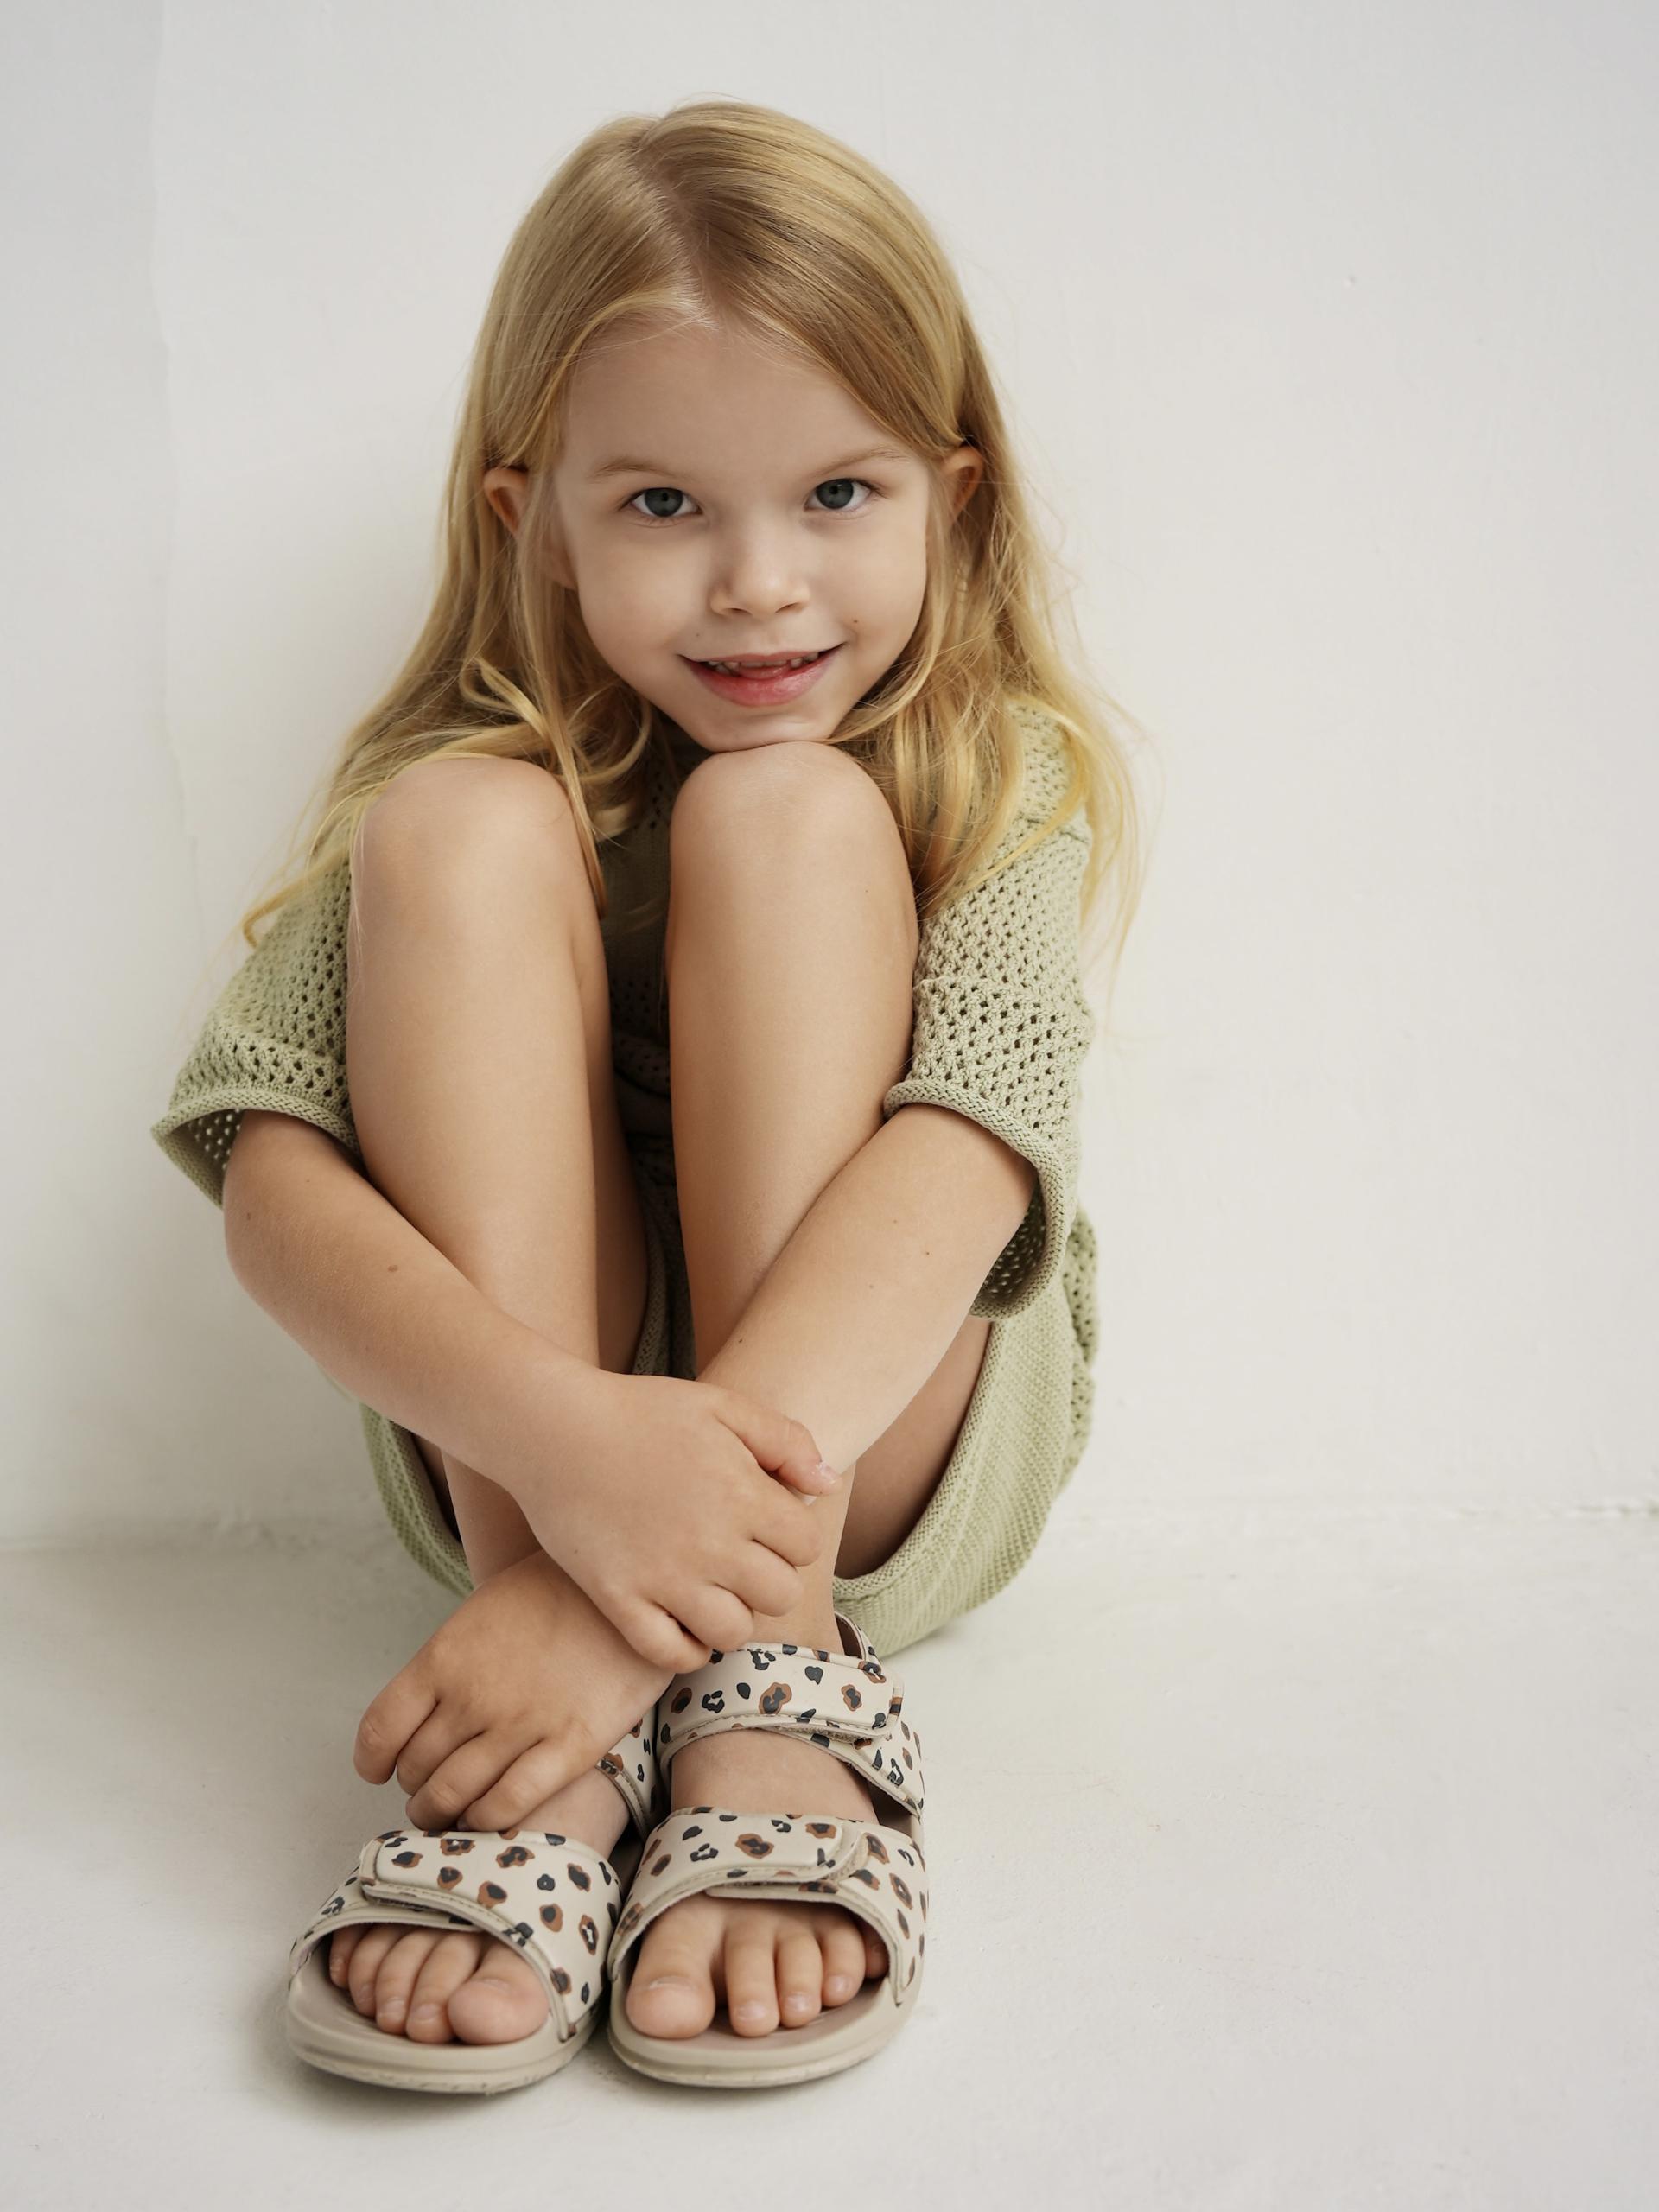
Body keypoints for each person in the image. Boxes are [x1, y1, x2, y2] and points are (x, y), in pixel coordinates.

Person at [149, 97, 1143, 2092]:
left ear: (953, 497)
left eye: (839, 492)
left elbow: (968, 1158)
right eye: (668, 504)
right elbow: (271, 1184)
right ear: (536, 522)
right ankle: (564, 1707)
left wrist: (620, 1600)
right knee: (452, 825)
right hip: (528, 1457)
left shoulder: (996, 765)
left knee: (789, 817)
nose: (761, 584)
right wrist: (568, 1451)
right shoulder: (454, 781)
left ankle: (751, 1688)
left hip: (878, 1435)